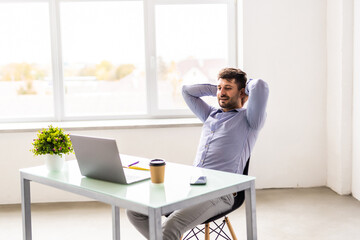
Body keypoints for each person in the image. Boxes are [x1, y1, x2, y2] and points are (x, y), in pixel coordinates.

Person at [127, 67, 269, 240]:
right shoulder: (210, 114)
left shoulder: (249, 121)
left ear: (242, 92)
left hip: (220, 192)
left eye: (228, 88)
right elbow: (187, 91)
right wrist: (219, 89)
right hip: (192, 185)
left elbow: (260, 86)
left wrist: (245, 87)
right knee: (135, 210)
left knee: (171, 226)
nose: (222, 93)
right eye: (219, 88)